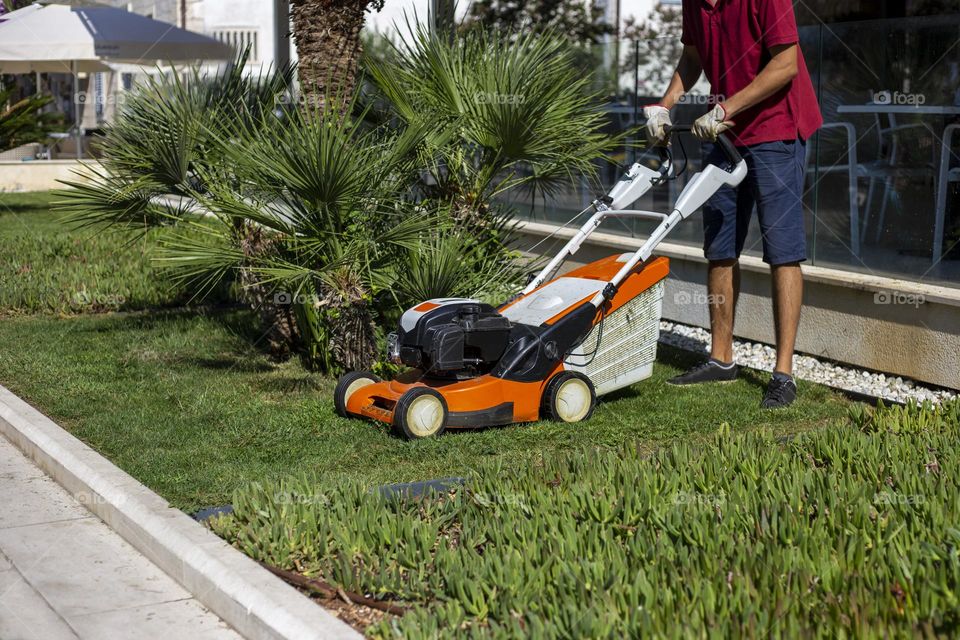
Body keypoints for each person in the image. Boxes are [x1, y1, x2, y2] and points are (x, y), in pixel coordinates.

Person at [644, 0, 822, 408]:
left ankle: (783, 374)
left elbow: (786, 64)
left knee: (783, 251)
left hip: (776, 128)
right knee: (720, 246)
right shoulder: (694, 3)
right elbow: (693, 56)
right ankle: (721, 359)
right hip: (723, 132)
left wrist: (727, 107)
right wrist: (665, 103)